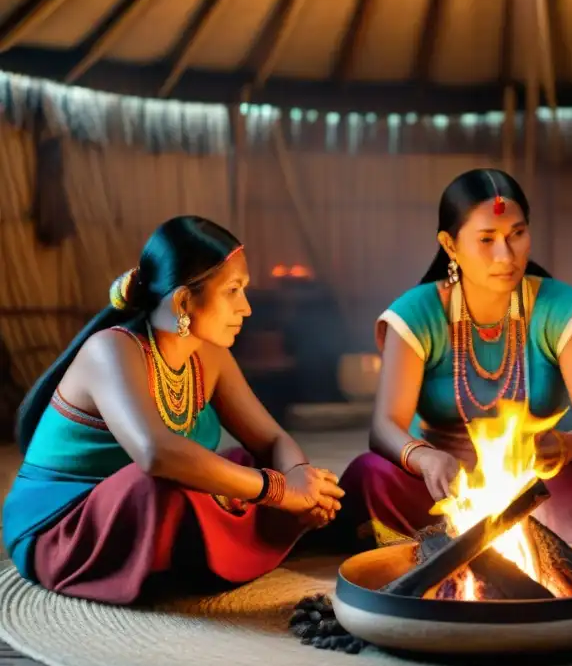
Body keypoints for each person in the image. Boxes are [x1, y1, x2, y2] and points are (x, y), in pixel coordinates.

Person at [2, 216, 344, 605]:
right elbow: (155, 454)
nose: (246, 308)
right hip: (64, 528)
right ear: (183, 301)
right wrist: (279, 491)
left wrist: (303, 481)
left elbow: (271, 438)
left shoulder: (210, 354)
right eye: (233, 290)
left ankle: (199, 555)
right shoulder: (111, 351)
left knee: (236, 465)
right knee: (169, 483)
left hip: (147, 506)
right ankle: (205, 554)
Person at [338, 168, 572, 550]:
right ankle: (427, 552)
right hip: (442, 490)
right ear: (450, 246)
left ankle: (555, 552)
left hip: (537, 485)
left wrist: (564, 445)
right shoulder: (417, 314)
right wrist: (425, 460)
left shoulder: (561, 309)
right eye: (487, 239)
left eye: (517, 234)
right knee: (369, 475)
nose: (506, 255)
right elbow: (384, 427)